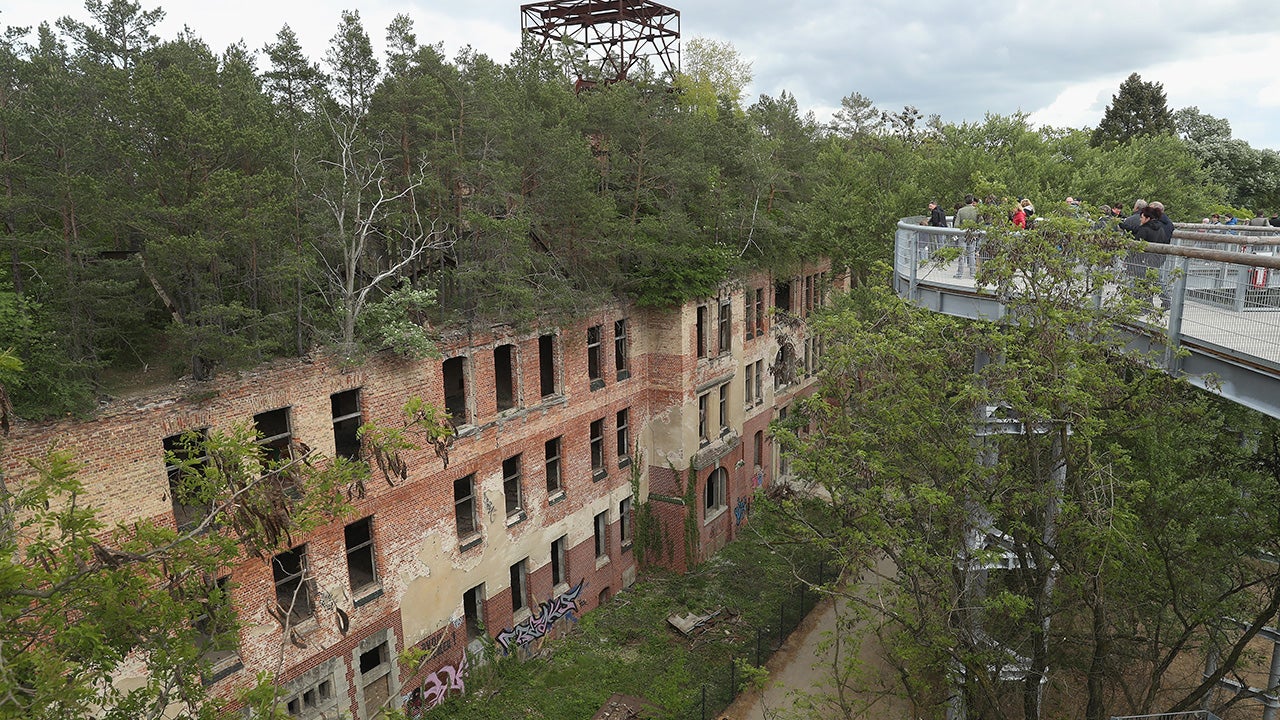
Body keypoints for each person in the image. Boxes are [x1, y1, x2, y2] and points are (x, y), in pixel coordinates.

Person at [953, 195, 980, 278]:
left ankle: (959, 273)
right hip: (973, 234)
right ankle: (973, 273)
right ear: (972, 201)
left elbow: (956, 224)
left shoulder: (961, 211)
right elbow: (981, 222)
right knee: (971, 254)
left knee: (961, 253)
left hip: (963, 234)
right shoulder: (977, 210)